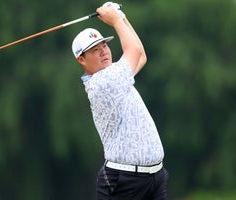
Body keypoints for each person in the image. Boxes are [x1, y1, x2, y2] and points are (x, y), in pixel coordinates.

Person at [72, 2, 168, 200]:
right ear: (81, 60)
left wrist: (121, 17)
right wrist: (116, 20)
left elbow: (140, 55)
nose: (103, 51)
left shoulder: (116, 74)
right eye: (94, 50)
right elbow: (134, 51)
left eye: (104, 45)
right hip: (124, 181)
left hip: (153, 178)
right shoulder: (103, 83)